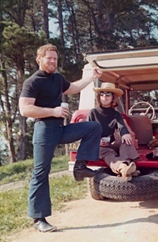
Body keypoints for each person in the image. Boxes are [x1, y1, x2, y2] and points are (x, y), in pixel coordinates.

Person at [19, 44, 102, 232]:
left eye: (55, 58)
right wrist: (53, 111)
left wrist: (91, 77)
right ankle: (39, 219)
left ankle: (80, 168)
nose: (53, 61)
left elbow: (73, 88)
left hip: (60, 128)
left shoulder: (57, 78)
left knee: (93, 127)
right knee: (40, 174)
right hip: (44, 130)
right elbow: (25, 109)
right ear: (39, 59)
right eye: (49, 58)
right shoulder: (32, 82)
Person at [87, 82, 140, 181]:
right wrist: (98, 141)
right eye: (102, 94)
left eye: (108, 94)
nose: (104, 96)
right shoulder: (93, 112)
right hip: (97, 146)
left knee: (126, 140)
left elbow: (121, 126)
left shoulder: (115, 114)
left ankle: (126, 167)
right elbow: (87, 131)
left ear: (113, 97)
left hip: (109, 143)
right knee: (107, 151)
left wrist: (125, 134)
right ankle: (123, 168)